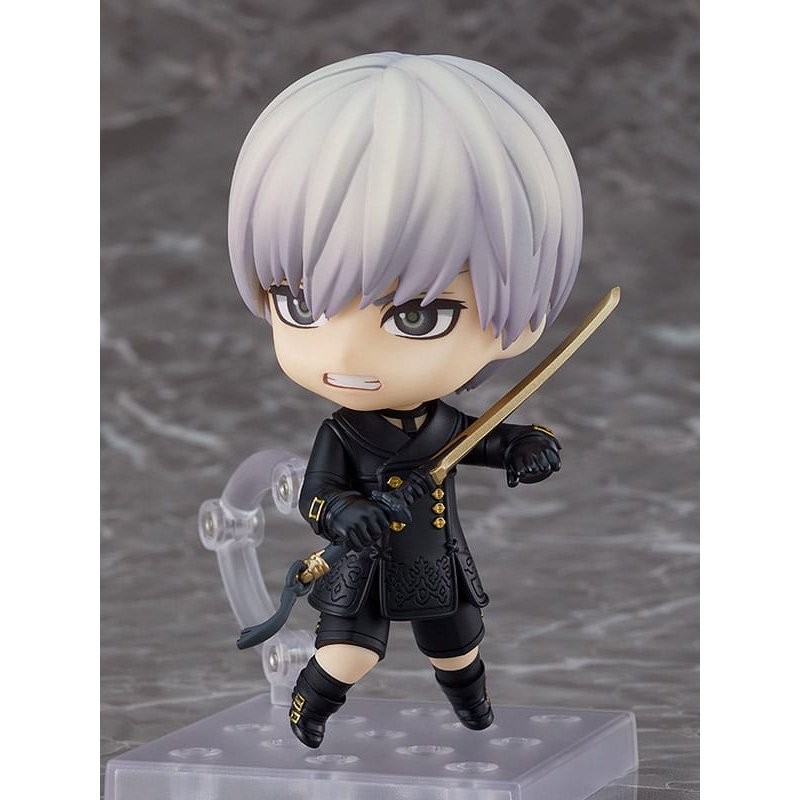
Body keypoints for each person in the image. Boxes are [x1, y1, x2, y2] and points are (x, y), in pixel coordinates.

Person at [227, 52, 583, 748]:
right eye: (299, 304)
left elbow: (486, 439)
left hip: (434, 558)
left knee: (459, 647)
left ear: (523, 322)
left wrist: (527, 445)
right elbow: (317, 494)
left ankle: (475, 712)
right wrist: (345, 512)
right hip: (363, 562)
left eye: (417, 316)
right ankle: (310, 707)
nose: (344, 357)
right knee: (348, 654)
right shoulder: (344, 434)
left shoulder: (443, 423)